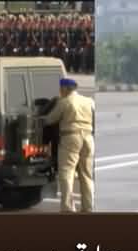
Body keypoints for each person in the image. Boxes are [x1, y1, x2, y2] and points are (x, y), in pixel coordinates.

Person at [44, 78, 95, 213]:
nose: (60, 91)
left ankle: (67, 208)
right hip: (89, 139)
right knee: (86, 174)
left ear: (65, 89)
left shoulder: (65, 102)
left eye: (61, 89)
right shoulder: (89, 101)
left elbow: (50, 119)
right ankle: (88, 206)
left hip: (71, 138)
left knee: (67, 172)